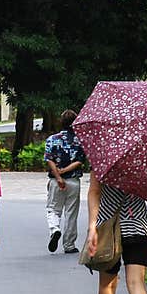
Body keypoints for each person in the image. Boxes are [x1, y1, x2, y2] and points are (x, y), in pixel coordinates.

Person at [44, 109, 86, 254]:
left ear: (61, 122)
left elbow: (49, 159)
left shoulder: (52, 139)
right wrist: (66, 171)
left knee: (53, 209)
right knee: (71, 213)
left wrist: (58, 176)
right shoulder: (80, 140)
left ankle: (55, 229)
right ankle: (69, 245)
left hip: (56, 182)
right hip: (74, 181)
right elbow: (80, 161)